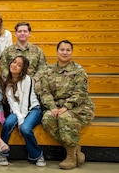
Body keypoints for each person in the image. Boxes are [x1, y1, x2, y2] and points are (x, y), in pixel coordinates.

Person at [40, 40, 95, 170]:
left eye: (68, 50)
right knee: (47, 119)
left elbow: (81, 92)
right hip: (57, 107)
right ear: (57, 51)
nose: (64, 52)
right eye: (62, 50)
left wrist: (66, 107)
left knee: (64, 118)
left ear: (71, 52)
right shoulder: (48, 70)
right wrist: (52, 107)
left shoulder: (78, 70)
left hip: (80, 107)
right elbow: (45, 91)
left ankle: (70, 157)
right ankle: (75, 148)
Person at [0, 55, 46, 167]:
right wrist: (20, 118)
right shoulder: (6, 81)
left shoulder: (27, 79)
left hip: (32, 109)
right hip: (17, 111)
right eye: (14, 62)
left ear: (23, 69)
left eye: (19, 65)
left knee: (25, 128)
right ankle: (2, 153)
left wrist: (22, 121)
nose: (15, 65)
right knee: (8, 124)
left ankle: (37, 155)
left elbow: (26, 102)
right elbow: (12, 103)